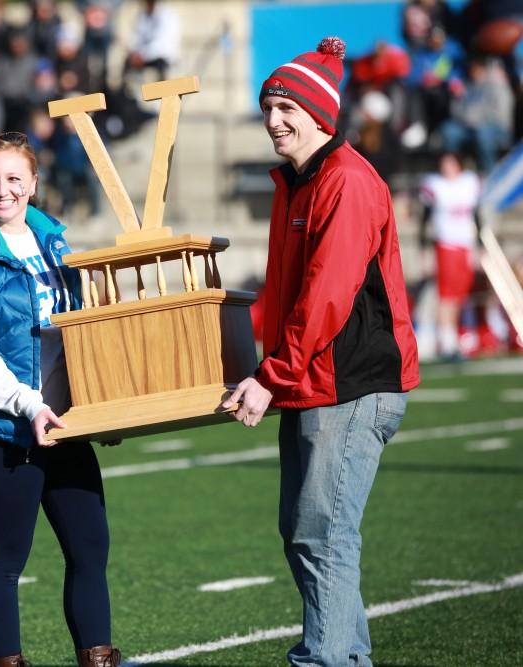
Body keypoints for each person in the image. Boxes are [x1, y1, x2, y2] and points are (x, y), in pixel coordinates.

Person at [223, 38, 420, 667]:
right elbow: (288, 298)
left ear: (319, 114)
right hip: (313, 383)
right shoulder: (298, 184)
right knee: (306, 532)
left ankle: (328, 660)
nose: (274, 119)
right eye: (268, 106)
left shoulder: (346, 182)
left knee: (323, 533)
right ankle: (343, 657)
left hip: (353, 385)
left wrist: (269, 376)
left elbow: (326, 299)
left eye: (286, 107)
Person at [0, 132, 121, 667]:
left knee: (90, 548)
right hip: (11, 428)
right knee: (5, 559)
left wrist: (102, 404)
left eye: (15, 179)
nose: (3, 191)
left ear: (35, 183)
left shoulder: (56, 243)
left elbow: (81, 333)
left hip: (66, 421)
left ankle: (97, 656)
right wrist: (27, 405)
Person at [419, 151, 482, 360]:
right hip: (445, 245)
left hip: (465, 244)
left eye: (451, 164)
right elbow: (424, 220)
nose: (447, 168)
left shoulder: (469, 183)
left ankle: (452, 336)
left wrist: (479, 245)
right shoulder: (435, 186)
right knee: (446, 295)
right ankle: (447, 341)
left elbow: (476, 215)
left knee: (459, 294)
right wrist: (423, 250)